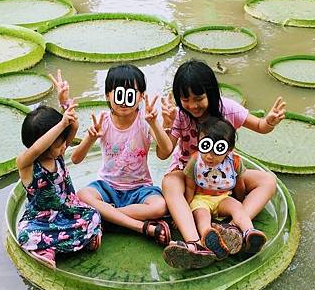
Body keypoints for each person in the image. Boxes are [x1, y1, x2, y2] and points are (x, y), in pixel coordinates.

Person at [161, 59, 286, 269]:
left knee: (268, 180)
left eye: (199, 98)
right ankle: (194, 244)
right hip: (187, 171)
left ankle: (233, 230)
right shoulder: (179, 115)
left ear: (210, 93)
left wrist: (270, 121)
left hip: (224, 175)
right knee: (169, 183)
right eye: (186, 99)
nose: (192, 105)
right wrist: (166, 125)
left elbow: (260, 126)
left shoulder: (227, 108)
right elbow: (164, 153)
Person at [67, 64, 174, 245]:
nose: (124, 101)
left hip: (140, 188)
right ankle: (139, 225)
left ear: (140, 96)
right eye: (119, 94)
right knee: (83, 195)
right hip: (107, 186)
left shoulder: (145, 121)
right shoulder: (103, 121)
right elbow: (75, 159)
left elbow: (166, 152)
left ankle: (106, 218)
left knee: (159, 206)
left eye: (131, 94)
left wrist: (156, 123)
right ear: (108, 95)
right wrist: (91, 137)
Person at [16, 104, 102, 269]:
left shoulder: (58, 154)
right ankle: (47, 250)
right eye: (59, 143)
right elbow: (36, 149)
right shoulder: (26, 165)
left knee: (94, 216)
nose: (65, 146)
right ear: (46, 145)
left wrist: (68, 111)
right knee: (27, 235)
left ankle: (72, 241)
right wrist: (61, 124)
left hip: (68, 212)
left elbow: (73, 127)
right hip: (41, 220)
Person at [171, 117, 266, 266]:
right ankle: (208, 236)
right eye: (206, 147)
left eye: (217, 150)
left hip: (223, 197)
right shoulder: (195, 161)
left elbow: (239, 184)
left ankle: (249, 233)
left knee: (237, 208)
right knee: (202, 216)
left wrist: (239, 200)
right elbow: (189, 187)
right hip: (200, 199)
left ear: (228, 149)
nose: (209, 156)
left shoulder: (234, 162)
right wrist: (187, 208)